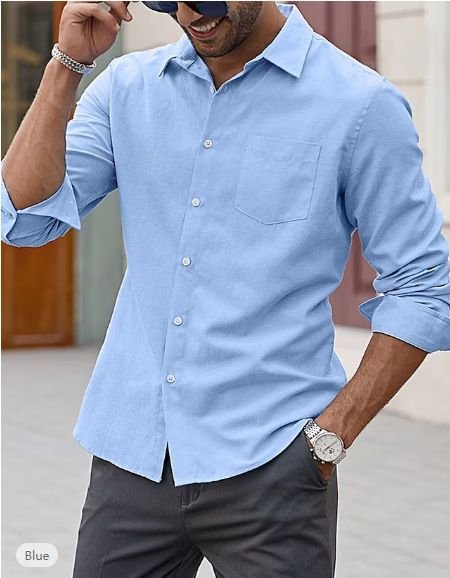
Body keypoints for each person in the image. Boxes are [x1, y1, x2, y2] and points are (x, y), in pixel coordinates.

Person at [2, 1, 450, 576]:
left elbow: (424, 285)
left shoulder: (359, 104)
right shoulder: (127, 88)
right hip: (133, 456)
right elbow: (25, 219)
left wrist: (330, 438)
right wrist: (66, 64)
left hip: (272, 466)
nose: (190, 13)